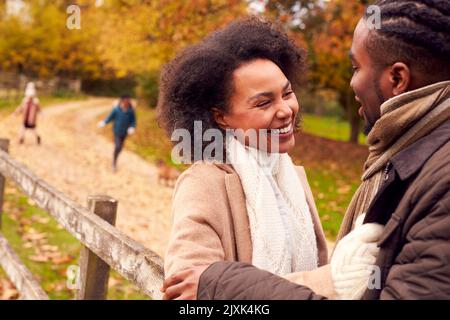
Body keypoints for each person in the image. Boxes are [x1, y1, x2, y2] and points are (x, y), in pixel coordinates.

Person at [161, 0, 450, 300]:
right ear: (221, 116)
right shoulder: (204, 183)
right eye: (263, 102)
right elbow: (191, 289)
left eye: (287, 93)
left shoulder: (293, 177)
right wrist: (341, 277)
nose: (286, 110)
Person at [98, 95, 136, 172]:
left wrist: (132, 127)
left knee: (120, 148)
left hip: (125, 133)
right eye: (125, 101)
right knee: (118, 146)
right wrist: (104, 122)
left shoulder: (131, 112)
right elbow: (110, 117)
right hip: (117, 131)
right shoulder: (116, 110)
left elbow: (133, 121)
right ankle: (114, 163)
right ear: (122, 101)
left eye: (128, 101)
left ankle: (115, 156)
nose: (126, 103)